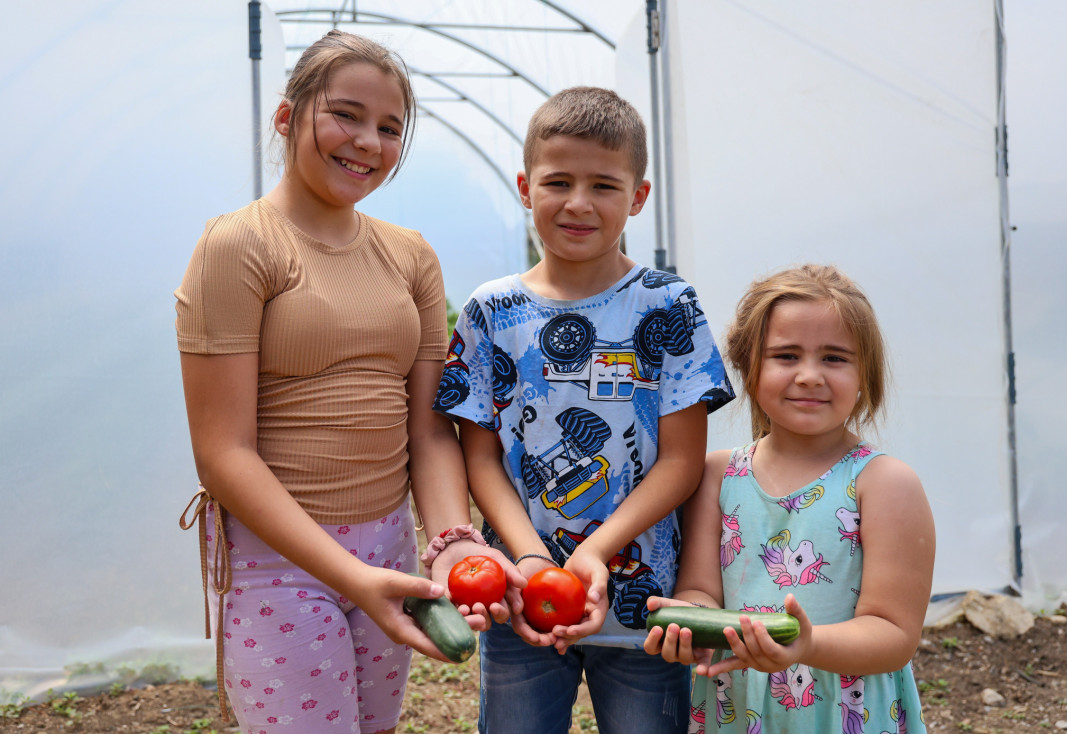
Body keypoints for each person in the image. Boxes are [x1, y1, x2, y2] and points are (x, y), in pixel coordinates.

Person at [174, 30, 521, 734]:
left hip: (389, 545)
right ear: (287, 117)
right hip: (280, 560)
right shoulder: (239, 246)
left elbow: (426, 428)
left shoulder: (410, 255)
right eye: (346, 114)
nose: (368, 141)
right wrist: (350, 578)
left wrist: (451, 537)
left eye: (390, 128)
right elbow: (224, 453)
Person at [432, 86, 735, 734]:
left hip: (646, 605)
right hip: (521, 597)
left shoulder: (667, 307)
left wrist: (596, 552)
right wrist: (532, 560)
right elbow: (477, 457)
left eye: (603, 185)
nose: (577, 202)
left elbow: (681, 462)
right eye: (558, 181)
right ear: (524, 186)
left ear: (638, 197)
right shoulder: (490, 311)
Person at [643, 264, 935, 733]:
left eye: (835, 358)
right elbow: (701, 590)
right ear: (748, 365)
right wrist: (690, 625)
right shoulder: (718, 474)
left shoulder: (884, 483)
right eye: (786, 355)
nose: (809, 376)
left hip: (844, 711)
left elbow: (894, 634)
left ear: (866, 373)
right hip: (736, 707)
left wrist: (807, 645)